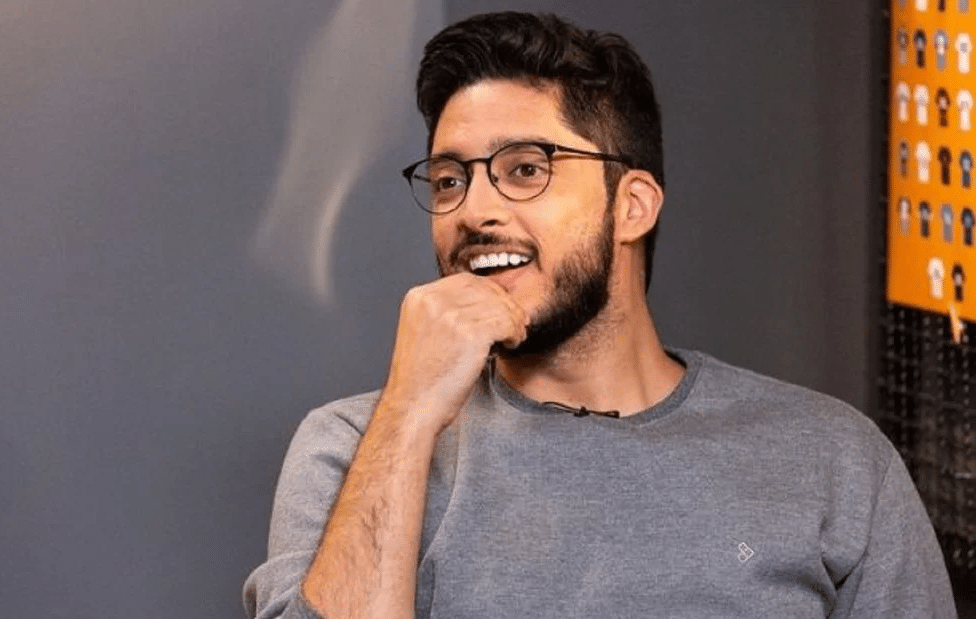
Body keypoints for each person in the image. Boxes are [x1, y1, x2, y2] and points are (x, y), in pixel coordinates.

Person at [244, 11, 957, 619]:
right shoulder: (354, 449)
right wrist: (407, 413)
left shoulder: (832, 460)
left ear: (633, 205)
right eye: (450, 179)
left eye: (526, 169)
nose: (474, 210)